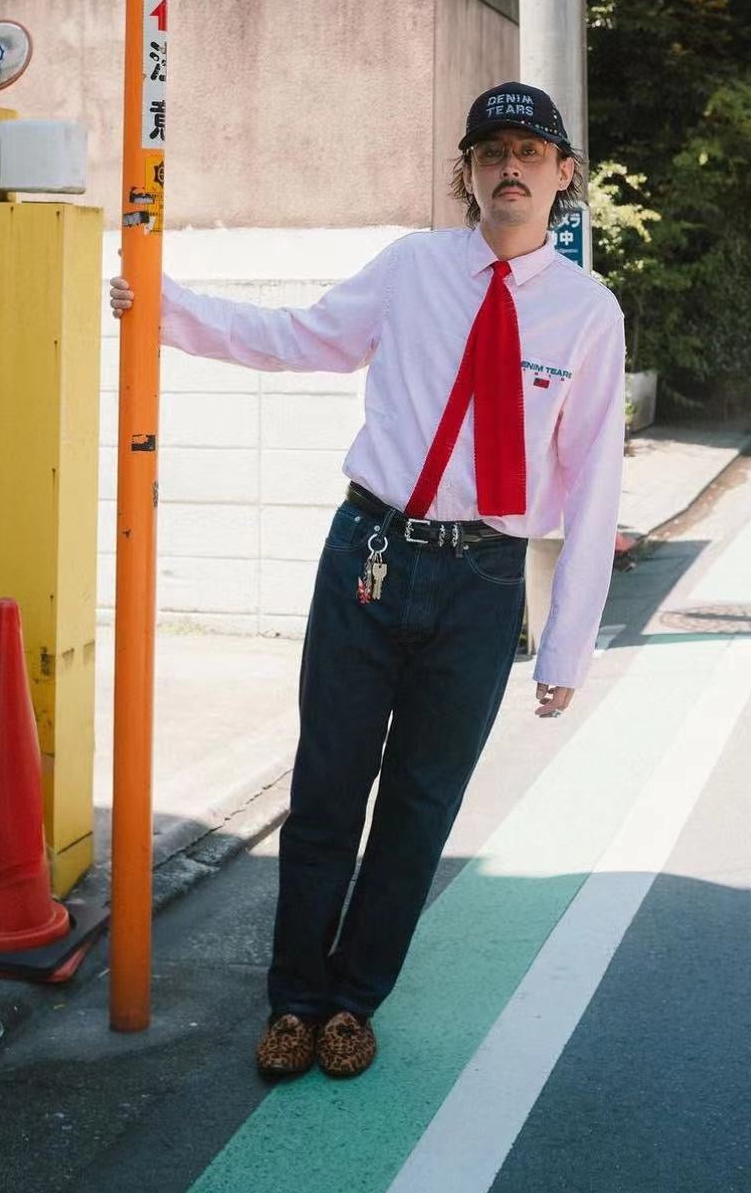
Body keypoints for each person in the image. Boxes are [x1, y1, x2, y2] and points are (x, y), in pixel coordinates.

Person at [109, 82, 625, 1080]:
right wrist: (164, 309)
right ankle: (294, 999)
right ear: (467, 175)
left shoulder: (586, 315)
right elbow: (300, 338)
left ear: (563, 175)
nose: (508, 169)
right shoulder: (412, 268)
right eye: (488, 154)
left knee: (421, 805)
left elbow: (596, 480)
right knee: (326, 789)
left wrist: (564, 640)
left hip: (481, 579)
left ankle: (354, 1000)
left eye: (529, 152)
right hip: (371, 554)